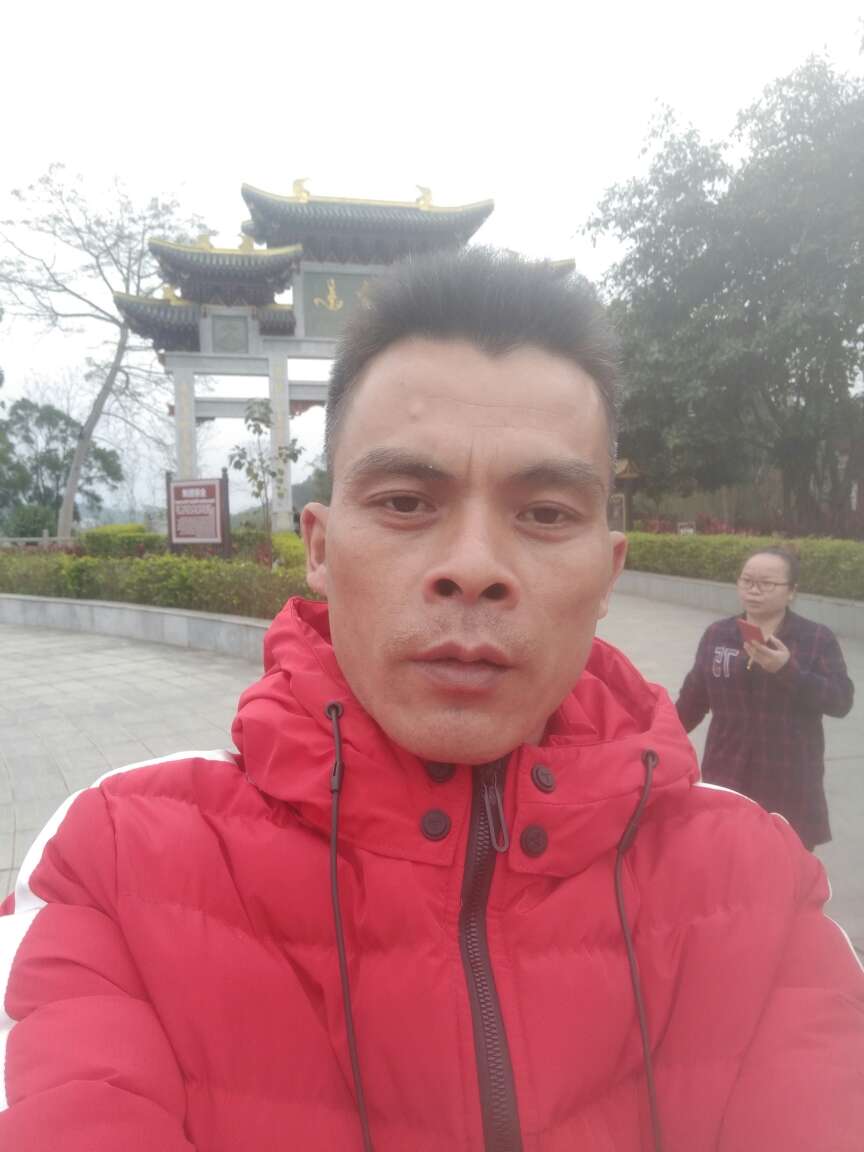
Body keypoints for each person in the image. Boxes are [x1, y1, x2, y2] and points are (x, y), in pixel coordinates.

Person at [1, 250, 862, 1152]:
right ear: (320, 549)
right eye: (407, 502)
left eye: (546, 514)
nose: (475, 567)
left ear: (609, 572)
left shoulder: (754, 883)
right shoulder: (115, 864)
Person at [676, 546, 854, 850]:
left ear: (791, 591)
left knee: (786, 865)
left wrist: (787, 670)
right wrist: (658, 740)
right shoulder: (718, 635)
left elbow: (840, 701)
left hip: (788, 777)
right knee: (726, 858)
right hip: (727, 772)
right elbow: (692, 701)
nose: (754, 590)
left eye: (767, 584)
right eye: (747, 581)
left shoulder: (815, 638)